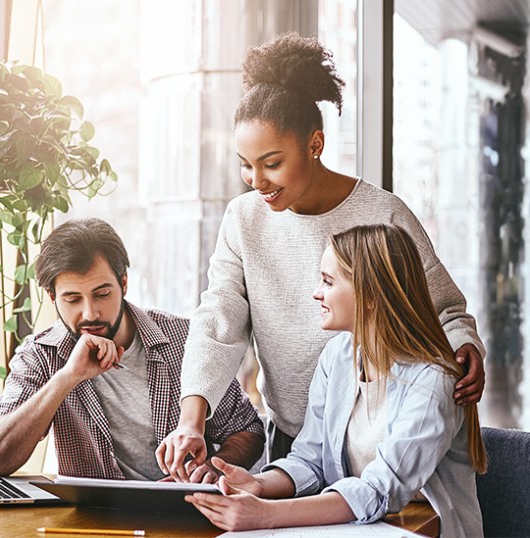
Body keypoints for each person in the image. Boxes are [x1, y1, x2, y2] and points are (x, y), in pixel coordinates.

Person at [156, 33, 486, 479]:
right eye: (246, 163)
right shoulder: (243, 219)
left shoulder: (382, 214)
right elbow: (218, 322)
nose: (256, 179)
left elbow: (444, 309)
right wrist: (190, 421)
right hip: (300, 444)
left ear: (315, 144)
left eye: (271, 163)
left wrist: (464, 346)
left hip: (383, 436)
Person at [184, 224, 487, 537]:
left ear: (371, 294)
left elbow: (379, 490)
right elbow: (310, 461)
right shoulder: (337, 357)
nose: (317, 293)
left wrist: (266, 515)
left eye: (328, 282)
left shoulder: (434, 379)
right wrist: (258, 484)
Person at [0, 218, 265, 483]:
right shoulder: (40, 356)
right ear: (52, 297)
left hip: (182, 514)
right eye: (73, 299)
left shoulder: (185, 339)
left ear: (123, 283)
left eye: (102, 294)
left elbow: (247, 429)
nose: (90, 313)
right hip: (93, 523)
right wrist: (67, 377)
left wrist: (214, 468)